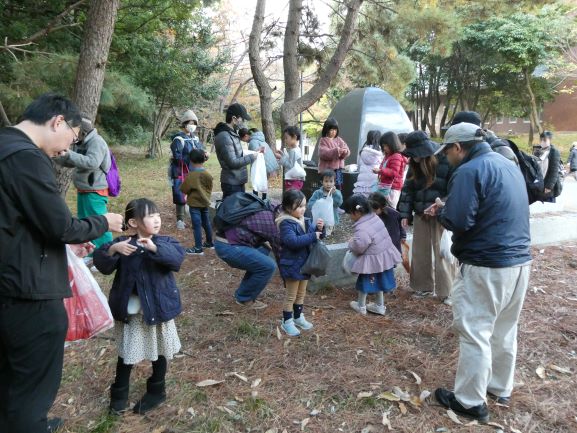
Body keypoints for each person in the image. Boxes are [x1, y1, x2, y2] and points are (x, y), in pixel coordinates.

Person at [0, 93, 123, 433]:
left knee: (11, 374)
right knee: (32, 384)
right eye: (72, 137)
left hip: (11, 275)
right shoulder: (26, 158)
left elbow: (19, 222)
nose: (69, 147)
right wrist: (104, 224)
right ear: (58, 122)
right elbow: (61, 226)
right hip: (25, 292)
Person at [427, 122, 532, 423]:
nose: (446, 157)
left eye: (447, 151)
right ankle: (499, 386)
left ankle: (470, 401)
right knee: (504, 328)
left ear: (458, 147)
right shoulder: (506, 162)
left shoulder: (469, 171)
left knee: (475, 331)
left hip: (487, 263)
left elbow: (459, 221)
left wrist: (442, 209)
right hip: (520, 261)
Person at [93, 198, 185, 416]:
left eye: (158, 215)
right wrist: (114, 248)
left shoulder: (165, 242)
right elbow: (102, 264)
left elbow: (176, 260)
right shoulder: (124, 244)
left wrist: (153, 248)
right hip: (133, 313)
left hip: (158, 309)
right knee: (127, 353)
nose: (156, 220)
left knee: (160, 351)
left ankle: (157, 390)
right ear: (133, 222)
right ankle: (119, 397)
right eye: (150, 216)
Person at [397, 130, 456, 302]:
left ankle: (448, 291)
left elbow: (455, 189)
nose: (413, 158)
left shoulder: (446, 159)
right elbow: (407, 189)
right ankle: (422, 287)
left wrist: (440, 206)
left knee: (443, 253)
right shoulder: (414, 164)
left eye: (415, 154)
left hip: (441, 214)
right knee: (420, 253)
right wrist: (405, 213)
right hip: (421, 213)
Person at [54, 116, 113, 249]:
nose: (73, 135)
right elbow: (71, 161)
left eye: (75, 131)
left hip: (95, 190)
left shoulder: (97, 142)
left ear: (82, 132)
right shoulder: (80, 143)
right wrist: (57, 155)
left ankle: (109, 251)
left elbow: (92, 162)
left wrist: (68, 153)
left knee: (100, 221)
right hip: (84, 189)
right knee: (86, 222)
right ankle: (92, 252)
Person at [214, 197, 282, 310]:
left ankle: (243, 292)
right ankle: (244, 298)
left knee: (263, 252)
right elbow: (280, 252)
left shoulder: (269, 208)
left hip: (227, 240)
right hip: (229, 246)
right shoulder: (272, 222)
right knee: (269, 266)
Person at [276, 190, 324, 336]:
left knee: (301, 293)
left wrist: (320, 229)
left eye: (304, 205)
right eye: (299, 206)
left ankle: (298, 317)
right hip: (291, 264)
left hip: (304, 263)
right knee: (291, 295)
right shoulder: (285, 223)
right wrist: (312, 235)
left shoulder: (304, 219)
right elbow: (293, 242)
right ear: (289, 208)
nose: (303, 209)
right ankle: (287, 321)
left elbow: (314, 236)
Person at [345, 195, 401, 316]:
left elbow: (360, 246)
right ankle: (380, 306)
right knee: (379, 281)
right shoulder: (374, 217)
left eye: (350, 213)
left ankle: (361, 306)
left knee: (364, 283)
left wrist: (350, 243)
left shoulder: (362, 228)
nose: (350, 217)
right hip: (383, 257)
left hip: (372, 260)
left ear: (357, 212)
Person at [214, 103, 261, 199]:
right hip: (231, 183)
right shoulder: (224, 136)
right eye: (242, 119)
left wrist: (252, 152)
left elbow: (236, 154)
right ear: (234, 118)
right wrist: (252, 157)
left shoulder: (232, 134)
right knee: (232, 213)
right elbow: (232, 162)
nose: (243, 122)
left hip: (237, 181)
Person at [170, 109, 205, 230]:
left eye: (194, 123)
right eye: (190, 123)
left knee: (194, 193)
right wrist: (191, 157)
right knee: (180, 193)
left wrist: (203, 155)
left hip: (194, 171)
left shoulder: (195, 139)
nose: (192, 126)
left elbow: (200, 151)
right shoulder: (178, 140)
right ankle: (180, 219)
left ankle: (193, 216)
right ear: (184, 124)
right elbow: (177, 156)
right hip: (180, 171)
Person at [179, 149, 214, 255]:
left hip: (194, 204)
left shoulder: (191, 175)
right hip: (205, 202)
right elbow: (210, 187)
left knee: (197, 225)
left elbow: (184, 189)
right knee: (206, 223)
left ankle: (198, 248)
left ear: (191, 160)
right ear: (204, 159)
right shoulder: (208, 174)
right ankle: (210, 243)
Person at [373, 131, 407, 209]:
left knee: (389, 210)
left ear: (392, 144)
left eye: (386, 146)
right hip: (385, 187)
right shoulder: (388, 155)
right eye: (383, 146)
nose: (384, 148)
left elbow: (394, 172)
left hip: (392, 188)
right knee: (382, 209)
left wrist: (380, 171)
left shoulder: (396, 156)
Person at [307, 170, 343, 235]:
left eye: (331, 181)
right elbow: (310, 204)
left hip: (332, 217)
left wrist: (335, 194)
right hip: (320, 218)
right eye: (326, 181)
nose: (328, 184)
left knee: (330, 231)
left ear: (334, 182)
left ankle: (330, 230)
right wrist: (319, 203)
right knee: (320, 230)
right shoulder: (317, 193)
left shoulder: (336, 193)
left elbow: (339, 203)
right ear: (322, 182)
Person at [317, 117, 350, 190]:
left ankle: (336, 200)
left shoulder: (339, 139)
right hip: (327, 171)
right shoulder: (323, 140)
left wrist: (345, 152)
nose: (333, 132)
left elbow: (346, 149)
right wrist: (336, 151)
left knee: (337, 188)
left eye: (335, 130)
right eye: (331, 130)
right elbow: (323, 153)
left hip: (338, 171)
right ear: (326, 130)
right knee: (326, 188)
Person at [248, 127, 280, 198]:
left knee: (255, 182)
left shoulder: (253, 141)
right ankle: (264, 199)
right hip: (269, 165)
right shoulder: (262, 140)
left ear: (251, 134)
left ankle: (255, 199)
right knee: (264, 183)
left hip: (262, 165)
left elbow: (253, 155)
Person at [533, 130, 561, 202]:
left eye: (545, 140)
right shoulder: (537, 150)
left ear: (550, 140)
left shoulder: (554, 152)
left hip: (548, 184)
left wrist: (549, 187)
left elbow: (554, 171)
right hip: (539, 182)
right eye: (541, 140)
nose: (542, 142)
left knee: (548, 205)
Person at [353, 130, 383, 196]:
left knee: (360, 200)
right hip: (374, 180)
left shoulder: (362, 151)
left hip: (362, 181)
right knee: (372, 201)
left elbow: (358, 166)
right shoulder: (380, 153)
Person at [280, 125, 305, 191]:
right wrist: (283, 156)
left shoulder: (293, 151)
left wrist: (281, 159)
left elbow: (291, 166)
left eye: (286, 138)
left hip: (294, 180)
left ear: (294, 137)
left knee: (291, 198)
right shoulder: (296, 149)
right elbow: (290, 161)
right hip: (296, 180)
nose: (285, 140)